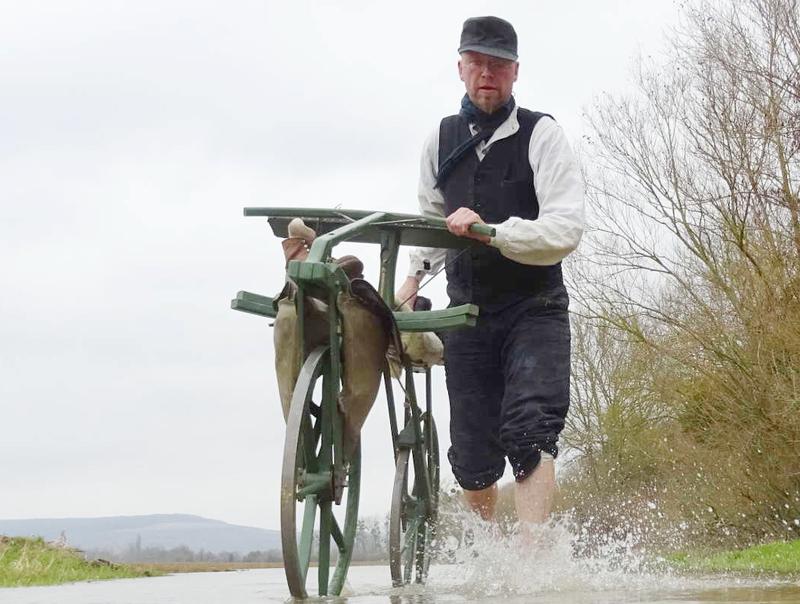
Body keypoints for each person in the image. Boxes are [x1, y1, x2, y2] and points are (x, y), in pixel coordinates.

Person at [397, 16, 584, 526]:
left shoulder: (542, 135)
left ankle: (532, 564)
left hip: (534, 307)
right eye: (477, 62)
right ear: (460, 68)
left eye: (498, 65)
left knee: (530, 429)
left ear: (515, 73)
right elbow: (430, 219)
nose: (487, 73)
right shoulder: (441, 139)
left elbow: (566, 228)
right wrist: (413, 279)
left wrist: (494, 231)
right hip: (467, 312)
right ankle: (489, 562)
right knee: (474, 456)